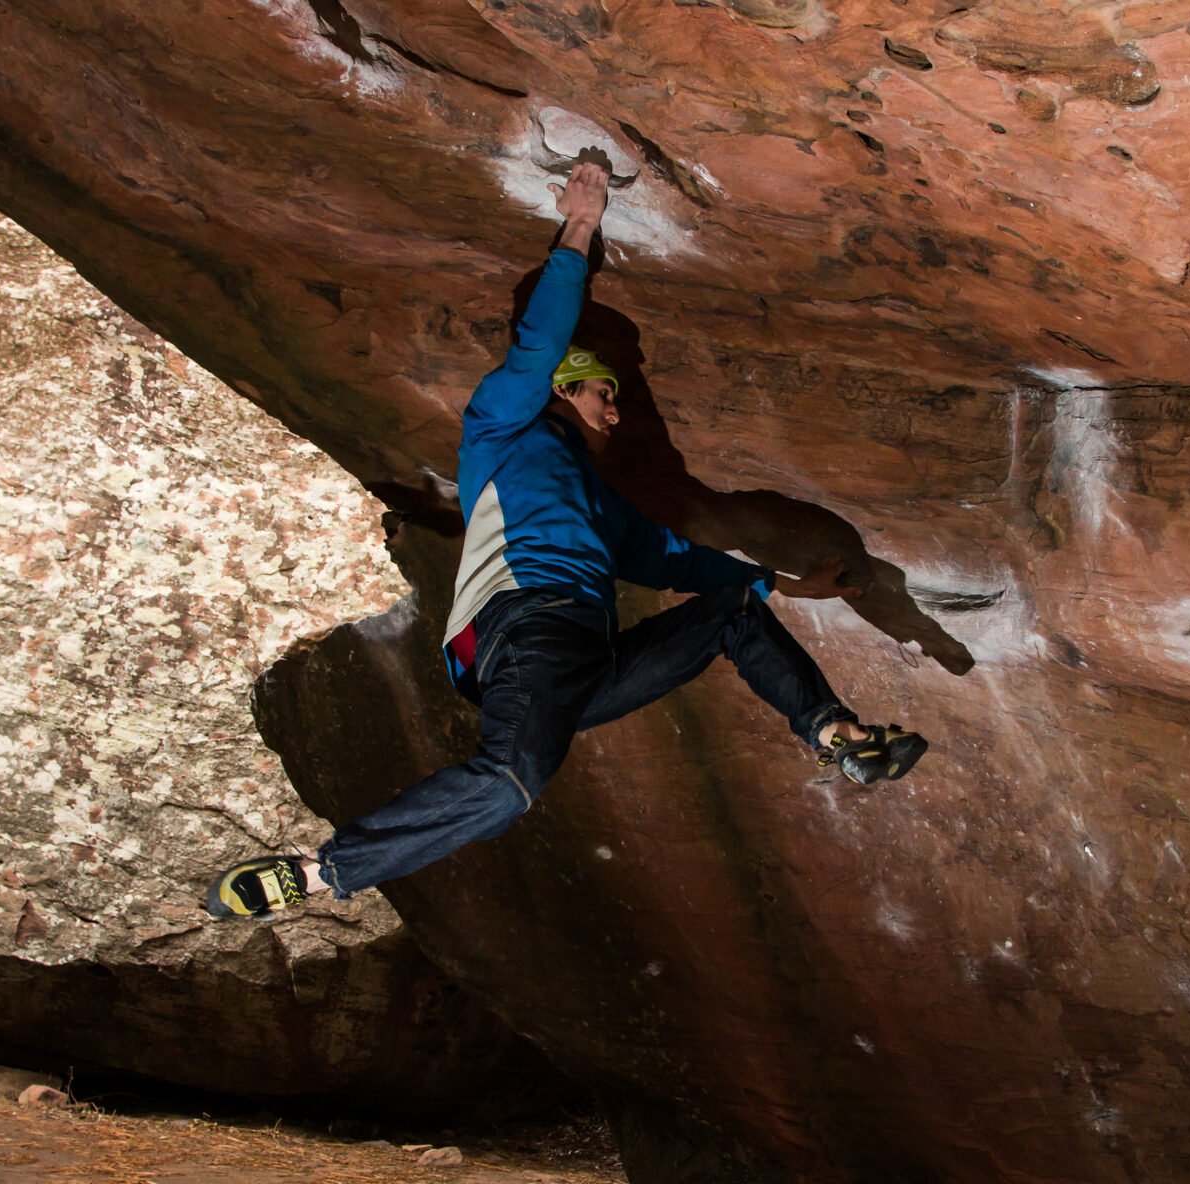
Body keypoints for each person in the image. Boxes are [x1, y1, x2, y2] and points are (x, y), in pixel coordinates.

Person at [206, 161, 927, 918]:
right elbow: (539, 339)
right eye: (600, 395)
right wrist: (580, 225)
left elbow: (674, 559)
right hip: (528, 626)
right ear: (561, 387)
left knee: (731, 610)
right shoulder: (503, 430)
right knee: (510, 783)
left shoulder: (599, 505)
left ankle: (835, 735)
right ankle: (320, 873)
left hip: (586, 665)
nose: (614, 415)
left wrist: (784, 585)